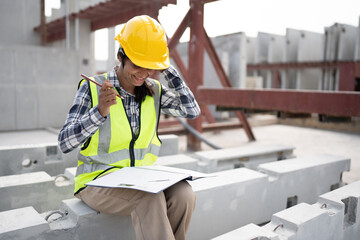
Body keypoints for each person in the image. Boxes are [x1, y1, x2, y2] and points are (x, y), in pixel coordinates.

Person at [58, 15, 200, 240]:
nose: (143, 74)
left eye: (150, 68)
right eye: (137, 65)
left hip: (141, 178)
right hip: (97, 181)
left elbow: (192, 110)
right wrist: (99, 112)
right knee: (149, 199)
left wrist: (166, 69)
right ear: (120, 56)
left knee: (184, 194)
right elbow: (64, 142)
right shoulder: (93, 88)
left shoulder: (153, 91)